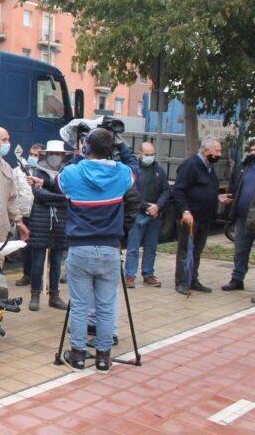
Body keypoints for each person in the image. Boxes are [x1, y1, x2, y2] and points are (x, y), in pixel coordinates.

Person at [57, 128, 136, 374]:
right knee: (105, 305)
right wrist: (121, 145)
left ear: (86, 148)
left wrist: (79, 154)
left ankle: (78, 355)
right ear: (111, 149)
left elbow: (63, 175)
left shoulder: (72, 172)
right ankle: (103, 358)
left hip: (80, 249)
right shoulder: (122, 174)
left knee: (80, 305)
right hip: (110, 250)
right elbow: (134, 167)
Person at [173, 137, 233, 295]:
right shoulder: (190, 165)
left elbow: (207, 188)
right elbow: (179, 190)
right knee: (186, 250)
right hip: (191, 216)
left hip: (205, 217)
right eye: (217, 151)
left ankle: (193, 279)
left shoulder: (209, 166)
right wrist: (185, 211)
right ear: (206, 151)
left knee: (197, 250)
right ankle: (182, 282)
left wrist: (218, 197)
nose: (219, 154)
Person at [25, 140, 69, 311]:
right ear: (47, 155)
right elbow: (38, 193)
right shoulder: (38, 170)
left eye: (58, 154)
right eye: (52, 153)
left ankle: (54, 296)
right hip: (40, 220)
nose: (55, 157)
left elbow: (68, 192)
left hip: (60, 221)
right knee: (38, 261)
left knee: (57, 261)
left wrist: (56, 196)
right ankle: (34, 295)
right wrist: (61, 198)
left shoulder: (66, 173)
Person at [124, 142, 170, 288]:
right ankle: (130, 276)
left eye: (152, 154)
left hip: (155, 214)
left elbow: (166, 190)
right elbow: (131, 192)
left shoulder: (159, 170)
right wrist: (146, 206)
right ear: (140, 153)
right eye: (147, 154)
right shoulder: (134, 170)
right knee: (133, 246)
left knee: (151, 246)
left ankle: (148, 274)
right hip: (138, 213)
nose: (150, 157)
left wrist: (158, 206)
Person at [221, 138, 255, 292]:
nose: (252, 151)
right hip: (242, 216)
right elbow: (234, 187)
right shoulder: (244, 166)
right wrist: (230, 198)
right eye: (252, 149)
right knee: (240, 250)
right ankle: (237, 279)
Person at [15, 143, 44, 287]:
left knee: (37, 248)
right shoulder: (19, 170)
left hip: (39, 215)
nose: (32, 157)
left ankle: (38, 278)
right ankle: (26, 275)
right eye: (31, 154)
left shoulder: (44, 172)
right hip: (25, 214)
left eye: (36, 155)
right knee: (25, 247)